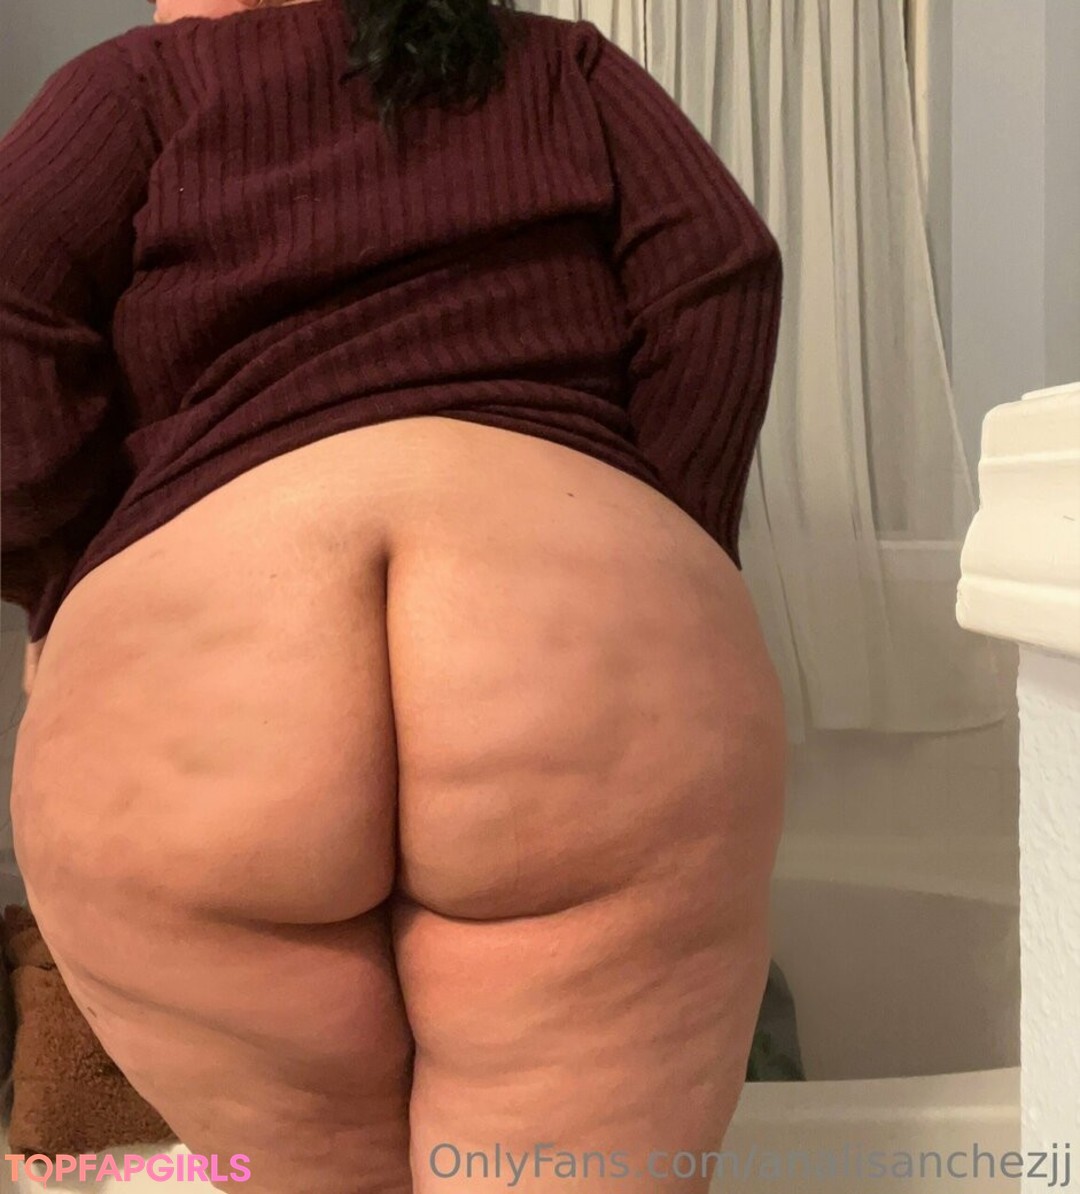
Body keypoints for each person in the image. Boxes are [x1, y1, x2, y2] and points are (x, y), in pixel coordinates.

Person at [0, 0, 787, 1189]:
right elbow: (721, 273)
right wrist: (658, 541)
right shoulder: (566, 66)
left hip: (193, 683)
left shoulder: (136, 86)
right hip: (582, 653)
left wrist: (66, 565)